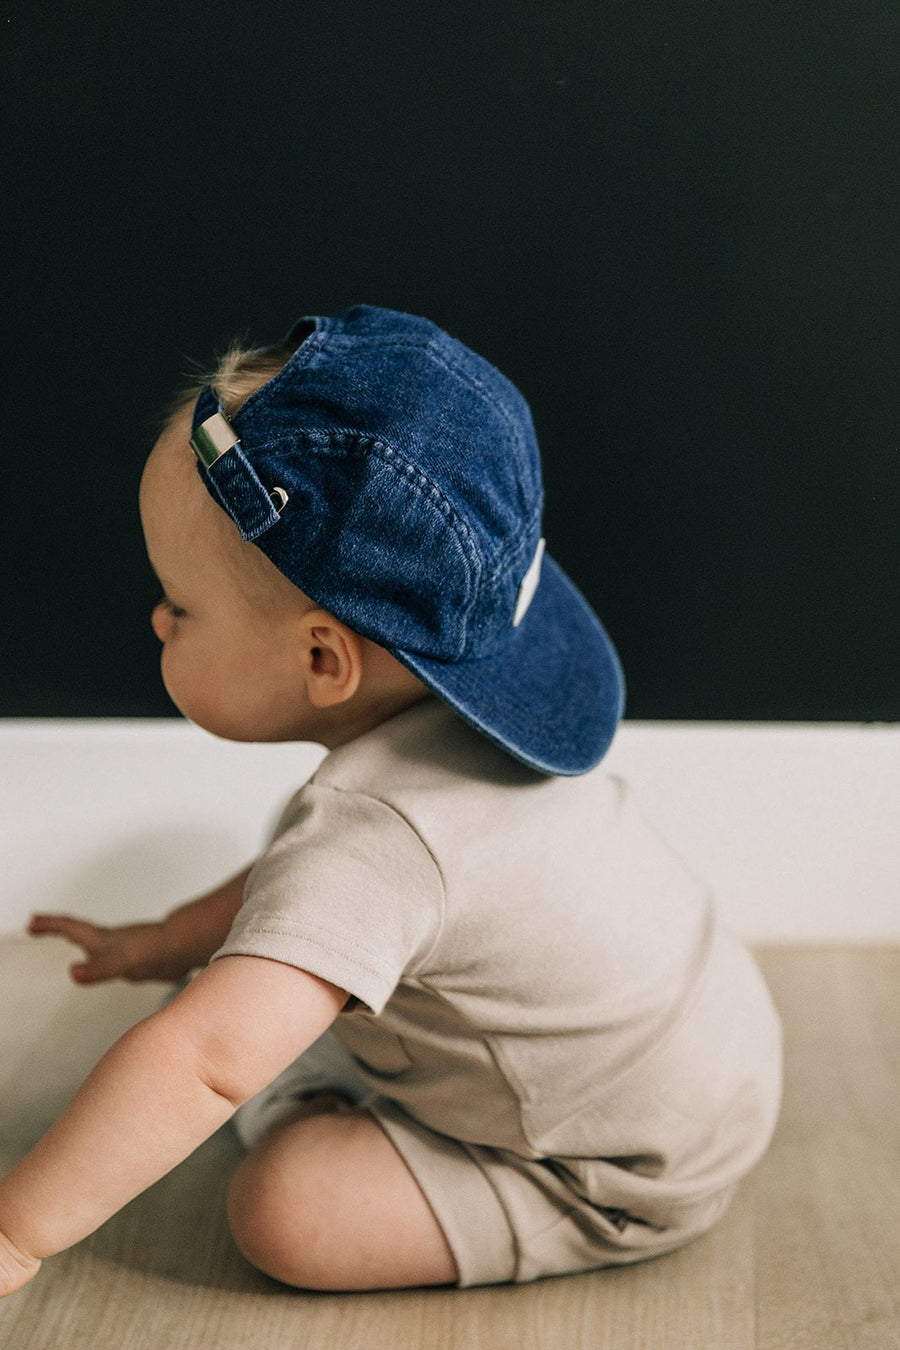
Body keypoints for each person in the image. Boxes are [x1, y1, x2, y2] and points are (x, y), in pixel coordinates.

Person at [0, 306, 782, 1298]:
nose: (156, 618)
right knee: (259, 983)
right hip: (707, 1051)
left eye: (181, 607)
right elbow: (303, 894)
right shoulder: (450, 725)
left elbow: (206, 1061)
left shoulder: (378, 837)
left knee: (285, 1204)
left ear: (324, 659)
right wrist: (167, 938)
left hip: (612, 1166)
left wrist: (16, 1231)